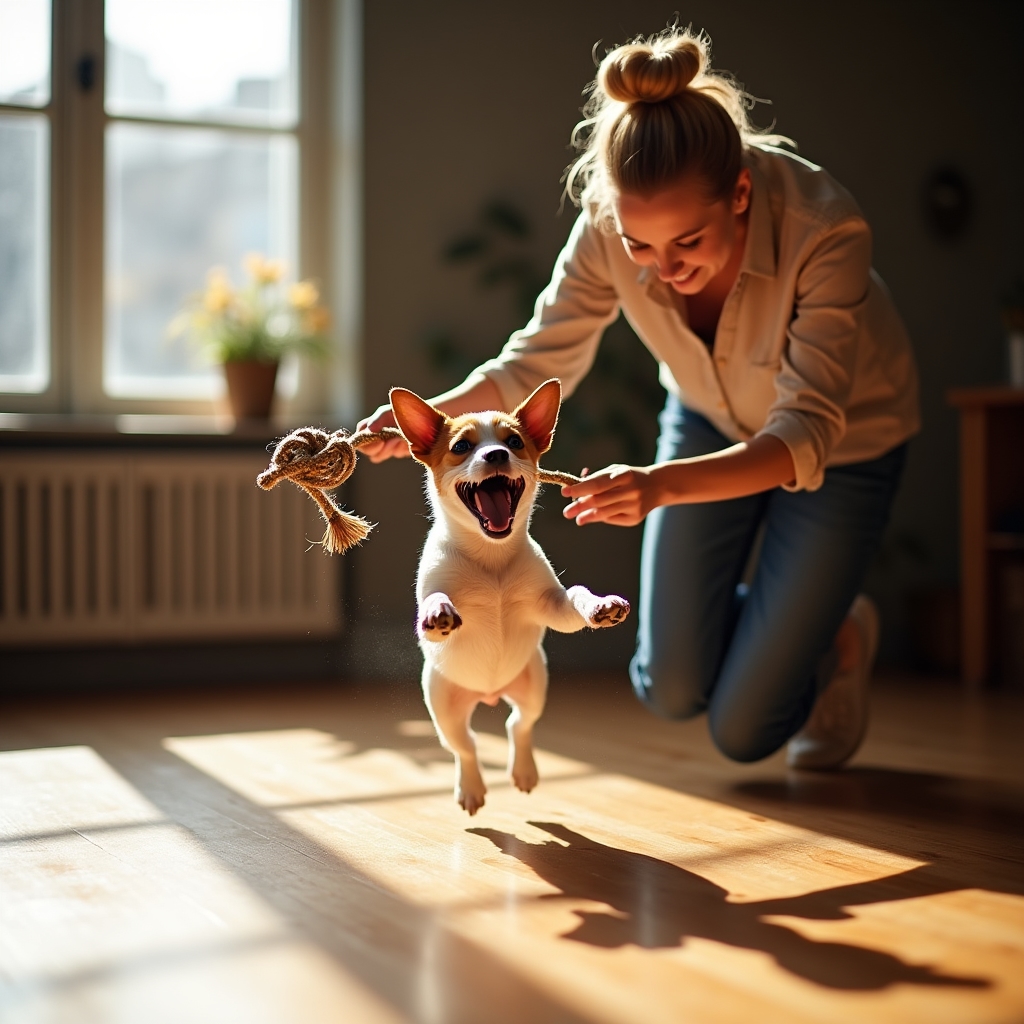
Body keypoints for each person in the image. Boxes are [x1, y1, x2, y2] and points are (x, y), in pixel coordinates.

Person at [358, 26, 919, 769]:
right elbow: (534, 359)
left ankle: (834, 631)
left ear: (741, 193)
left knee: (746, 731)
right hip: (706, 416)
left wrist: (656, 487)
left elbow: (806, 429)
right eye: (638, 246)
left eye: (687, 242)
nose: (661, 271)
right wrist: (427, 424)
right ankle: (802, 621)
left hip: (843, 443)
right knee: (668, 685)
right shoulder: (602, 222)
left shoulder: (826, 227)